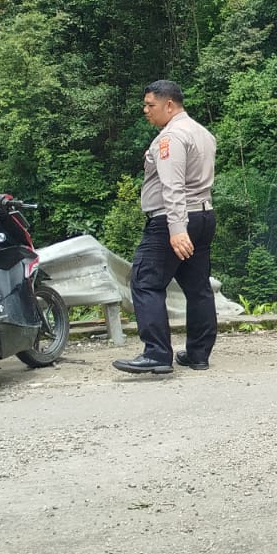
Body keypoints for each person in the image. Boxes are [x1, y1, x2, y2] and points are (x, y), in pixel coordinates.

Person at [114, 80, 218, 375]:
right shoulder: (203, 133)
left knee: (145, 281)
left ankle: (157, 354)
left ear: (169, 104)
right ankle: (198, 354)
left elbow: (173, 186)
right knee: (198, 286)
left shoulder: (170, 138)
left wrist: (176, 229)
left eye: (151, 105)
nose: (145, 110)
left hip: (171, 219)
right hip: (203, 215)